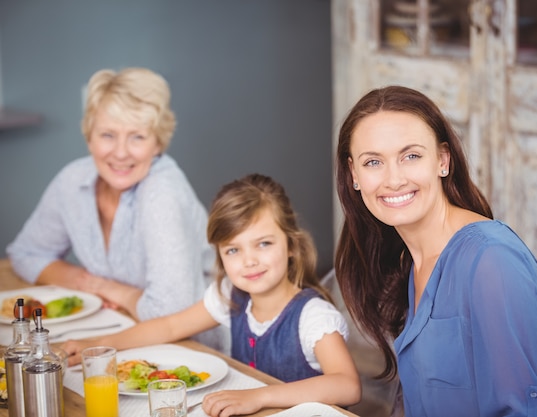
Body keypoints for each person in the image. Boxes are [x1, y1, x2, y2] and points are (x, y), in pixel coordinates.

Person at [334, 86, 537, 417]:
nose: (393, 179)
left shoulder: (491, 261)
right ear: (354, 175)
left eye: (411, 156)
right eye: (373, 162)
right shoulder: (411, 258)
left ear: (443, 161)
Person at [62, 173, 361, 417]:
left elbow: (348, 386)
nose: (249, 260)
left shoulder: (313, 316)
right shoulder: (230, 295)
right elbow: (169, 327)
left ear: (291, 246)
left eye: (264, 244)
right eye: (233, 249)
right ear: (220, 257)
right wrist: (98, 345)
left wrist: (259, 397)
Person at [6, 67, 216, 327]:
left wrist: (112, 290)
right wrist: (84, 282)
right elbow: (25, 253)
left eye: (137, 137)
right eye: (108, 135)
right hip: (118, 327)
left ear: (158, 143)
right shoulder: (73, 181)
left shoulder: (162, 193)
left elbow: (170, 314)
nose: (120, 153)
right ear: (89, 137)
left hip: (193, 349)